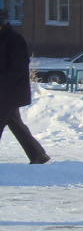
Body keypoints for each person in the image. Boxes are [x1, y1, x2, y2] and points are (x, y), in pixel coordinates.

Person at [0, 9, 50, 165]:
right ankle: (38, 155)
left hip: (10, 91)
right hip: (5, 92)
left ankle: (38, 155)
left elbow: (19, 67)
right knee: (15, 124)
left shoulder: (14, 39)